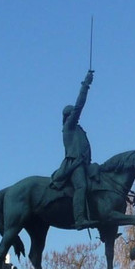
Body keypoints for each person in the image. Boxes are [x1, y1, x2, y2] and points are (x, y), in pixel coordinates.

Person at [50, 69, 96, 229]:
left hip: (84, 164)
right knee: (81, 186)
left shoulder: (78, 129)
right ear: (68, 116)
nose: (75, 116)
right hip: (74, 164)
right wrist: (86, 84)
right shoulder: (69, 127)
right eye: (72, 114)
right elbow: (79, 106)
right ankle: (80, 219)